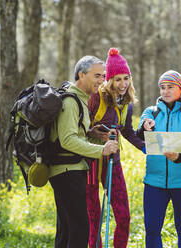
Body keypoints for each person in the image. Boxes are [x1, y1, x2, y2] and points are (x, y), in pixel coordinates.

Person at [48, 56, 119, 248]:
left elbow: (73, 134)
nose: (102, 80)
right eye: (97, 75)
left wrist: (92, 134)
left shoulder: (79, 99)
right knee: (79, 230)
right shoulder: (71, 101)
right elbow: (68, 140)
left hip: (68, 170)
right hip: (67, 172)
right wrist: (102, 150)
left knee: (67, 230)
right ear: (81, 74)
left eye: (103, 76)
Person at [137, 70, 181, 248]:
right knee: (151, 229)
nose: (165, 91)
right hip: (154, 181)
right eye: (162, 87)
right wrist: (145, 127)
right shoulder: (151, 112)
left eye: (170, 87)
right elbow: (140, 132)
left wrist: (179, 156)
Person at [86, 48, 145, 248]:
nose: (122, 84)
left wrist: (146, 147)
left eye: (126, 78)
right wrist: (94, 132)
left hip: (113, 160)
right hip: (91, 162)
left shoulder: (126, 103)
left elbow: (127, 131)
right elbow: (80, 128)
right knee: (94, 220)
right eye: (117, 79)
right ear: (109, 79)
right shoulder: (96, 98)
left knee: (124, 217)